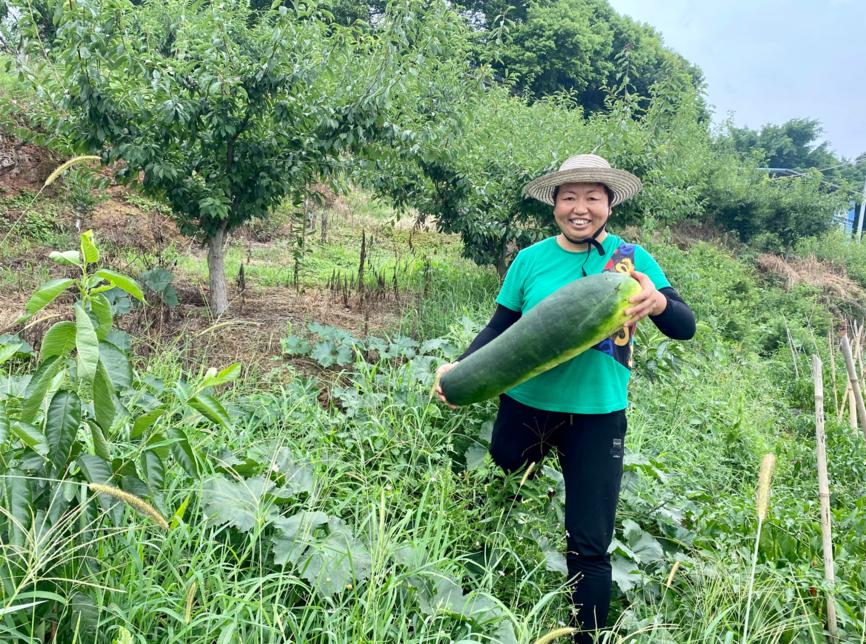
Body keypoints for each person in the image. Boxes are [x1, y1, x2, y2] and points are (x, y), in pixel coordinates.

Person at [435, 154, 696, 642]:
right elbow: (500, 326)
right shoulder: (531, 259)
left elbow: (685, 325)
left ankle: (587, 635)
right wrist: (459, 369)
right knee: (505, 464)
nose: (580, 208)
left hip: (597, 416)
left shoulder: (632, 261)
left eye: (592, 198)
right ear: (554, 205)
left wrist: (657, 302)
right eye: (569, 197)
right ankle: (486, 562)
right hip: (527, 402)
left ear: (609, 205)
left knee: (590, 544)